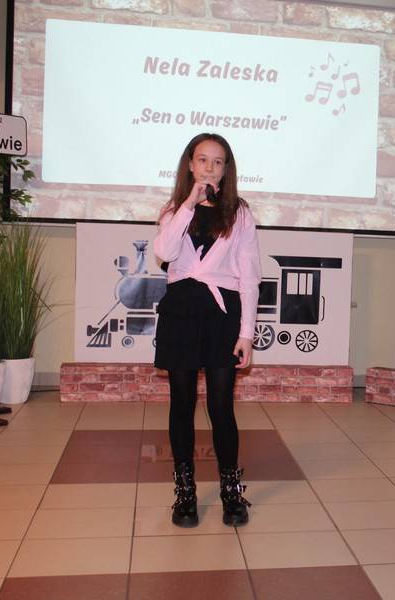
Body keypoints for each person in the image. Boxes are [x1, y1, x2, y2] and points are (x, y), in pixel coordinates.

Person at [153, 132, 261, 528]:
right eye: (202, 160)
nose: (209, 168)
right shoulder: (173, 210)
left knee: (220, 407)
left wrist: (246, 333)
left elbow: (250, 277)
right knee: (181, 405)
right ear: (190, 164)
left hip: (222, 314)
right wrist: (189, 204)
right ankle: (185, 493)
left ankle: (232, 491)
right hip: (181, 311)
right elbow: (165, 253)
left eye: (218, 162)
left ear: (226, 169)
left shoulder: (240, 214)